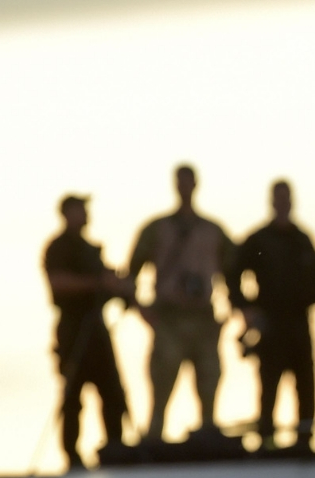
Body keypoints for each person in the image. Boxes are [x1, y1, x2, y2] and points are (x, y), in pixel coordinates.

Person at [229, 180, 315, 452]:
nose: (283, 202)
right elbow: (233, 275)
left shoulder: (302, 239)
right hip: (270, 324)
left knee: (306, 381)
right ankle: (266, 438)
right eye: (278, 198)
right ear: (272, 201)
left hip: (299, 323)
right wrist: (246, 309)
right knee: (269, 381)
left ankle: (305, 439)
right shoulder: (258, 239)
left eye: (286, 198)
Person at [127, 165, 235, 441]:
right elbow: (131, 274)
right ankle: (154, 440)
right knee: (161, 389)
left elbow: (234, 271)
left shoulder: (212, 230)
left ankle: (208, 436)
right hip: (169, 320)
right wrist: (142, 310)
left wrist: (232, 313)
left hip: (203, 319)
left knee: (209, 382)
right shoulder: (158, 229)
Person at [43, 195, 132, 469]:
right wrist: (97, 283)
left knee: (112, 393)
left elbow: (109, 284)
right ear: (67, 213)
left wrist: (118, 288)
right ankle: (72, 456)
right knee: (72, 396)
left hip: (96, 329)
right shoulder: (58, 248)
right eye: (80, 210)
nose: (85, 214)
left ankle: (115, 449)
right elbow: (59, 284)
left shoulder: (90, 249)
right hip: (72, 327)